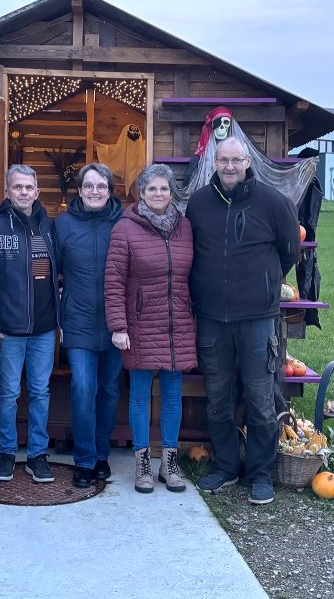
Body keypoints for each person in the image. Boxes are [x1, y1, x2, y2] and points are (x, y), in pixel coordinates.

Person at [185, 137, 300, 506]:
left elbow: (289, 251)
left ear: (247, 161)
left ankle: (261, 474)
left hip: (257, 320)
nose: (230, 166)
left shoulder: (272, 202)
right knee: (218, 397)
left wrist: (264, 284)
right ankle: (226, 467)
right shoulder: (200, 204)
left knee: (260, 398)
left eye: (236, 160)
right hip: (212, 319)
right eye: (223, 160)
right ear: (214, 163)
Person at [105, 163, 195, 494]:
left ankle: (168, 463)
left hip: (177, 324)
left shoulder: (185, 227)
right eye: (152, 189)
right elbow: (113, 280)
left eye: (164, 189)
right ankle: (142, 462)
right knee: (140, 394)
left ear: (172, 194)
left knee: (173, 394)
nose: (159, 194)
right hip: (140, 324)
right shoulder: (125, 228)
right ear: (141, 193)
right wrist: (118, 325)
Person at [0, 164, 58, 484]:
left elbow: (59, 276)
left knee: (41, 392)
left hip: (44, 329)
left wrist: (60, 321)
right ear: (8, 192)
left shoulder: (49, 227)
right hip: (8, 331)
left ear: (37, 192)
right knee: (9, 393)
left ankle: (38, 454)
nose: (24, 192)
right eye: (18, 187)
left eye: (29, 187)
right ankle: (8, 452)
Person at [53, 163, 124, 488]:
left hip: (116, 322)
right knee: (83, 388)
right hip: (78, 321)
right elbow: (49, 272)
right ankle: (83, 460)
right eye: (89, 186)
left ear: (110, 190)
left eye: (101, 186)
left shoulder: (124, 223)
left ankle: (100, 455)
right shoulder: (63, 225)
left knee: (109, 390)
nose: (95, 191)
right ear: (79, 190)